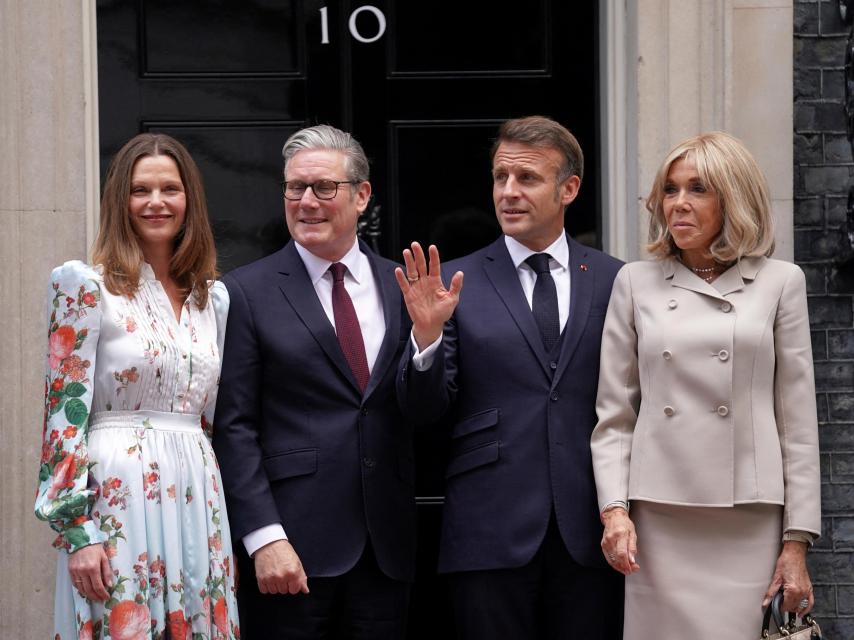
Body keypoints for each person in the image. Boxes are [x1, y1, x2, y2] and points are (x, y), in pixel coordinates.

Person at [396, 115, 624, 640]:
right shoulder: (455, 281)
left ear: (569, 189)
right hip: (488, 530)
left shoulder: (615, 279)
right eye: (501, 177)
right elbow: (423, 413)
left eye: (527, 179)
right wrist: (426, 337)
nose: (509, 192)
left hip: (591, 529)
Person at [591, 131, 820, 639]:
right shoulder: (634, 283)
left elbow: (798, 423)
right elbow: (615, 418)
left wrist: (797, 541)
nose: (678, 205)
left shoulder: (782, 282)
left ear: (733, 199)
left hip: (748, 513)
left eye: (697, 189)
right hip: (660, 514)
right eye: (670, 191)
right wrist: (615, 513)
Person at [212, 125, 415, 639]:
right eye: (295, 188)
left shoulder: (404, 289)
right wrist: (263, 538)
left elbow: (427, 412)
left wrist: (431, 341)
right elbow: (233, 426)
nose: (306, 202)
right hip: (290, 552)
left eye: (323, 188)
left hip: (386, 552)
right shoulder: (246, 292)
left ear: (362, 194)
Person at [35, 133, 239, 639]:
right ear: (119, 201)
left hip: (196, 488)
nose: (156, 202)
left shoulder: (212, 300)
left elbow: (208, 415)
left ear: (189, 198)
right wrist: (76, 530)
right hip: (117, 493)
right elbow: (64, 413)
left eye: (169, 188)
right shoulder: (84, 285)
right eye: (139, 190)